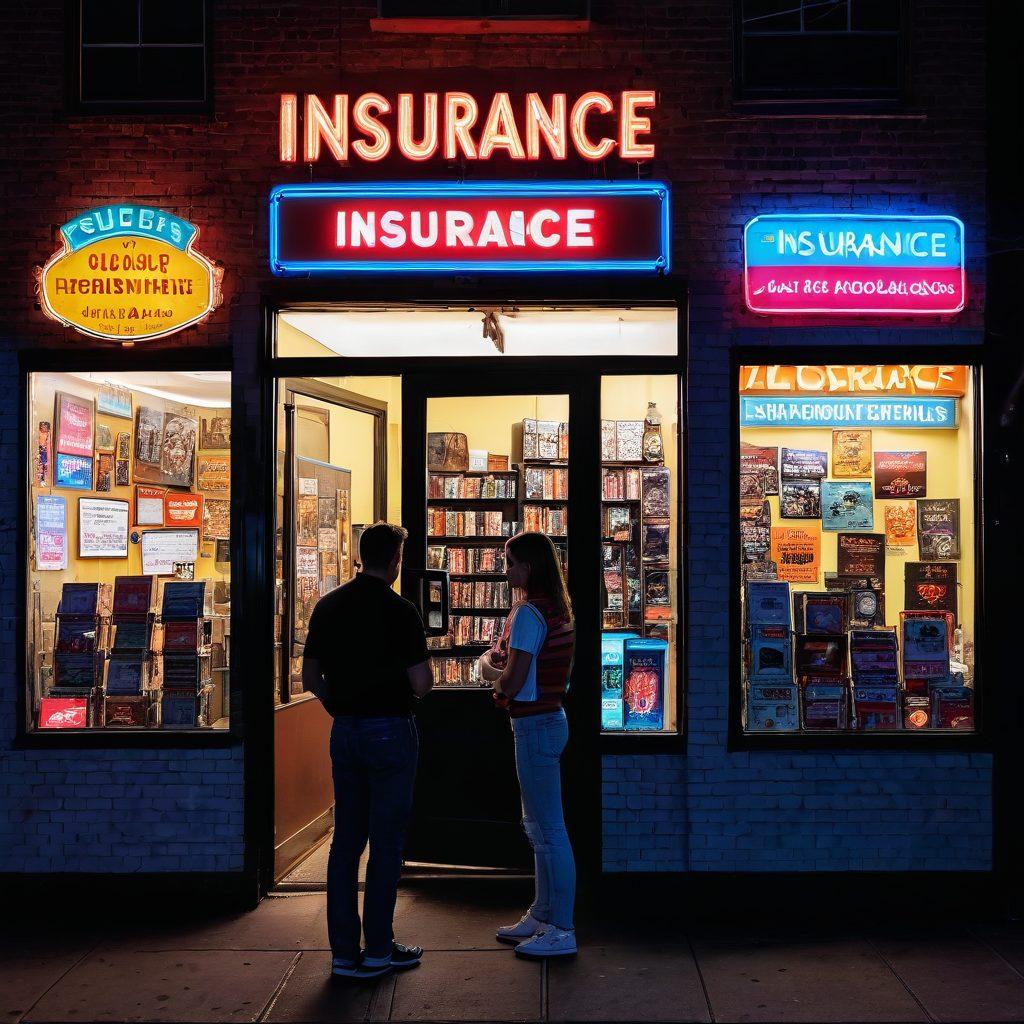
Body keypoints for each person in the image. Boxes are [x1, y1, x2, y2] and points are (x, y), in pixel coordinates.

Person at [302, 522, 434, 981]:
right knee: (387, 843)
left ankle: (343, 952)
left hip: (347, 731)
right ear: (395, 560)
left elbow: (311, 678)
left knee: (345, 843)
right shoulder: (402, 612)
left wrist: (339, 704)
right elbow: (421, 683)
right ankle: (378, 948)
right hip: (392, 730)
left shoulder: (329, 606)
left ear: (360, 556)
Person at [478, 531, 577, 958]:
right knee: (539, 827)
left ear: (529, 567)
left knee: (548, 829)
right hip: (548, 719)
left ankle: (561, 926)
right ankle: (542, 913)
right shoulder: (555, 609)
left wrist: (490, 679)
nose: (507, 570)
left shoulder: (527, 614)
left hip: (535, 724)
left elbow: (514, 680)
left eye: (511, 562)